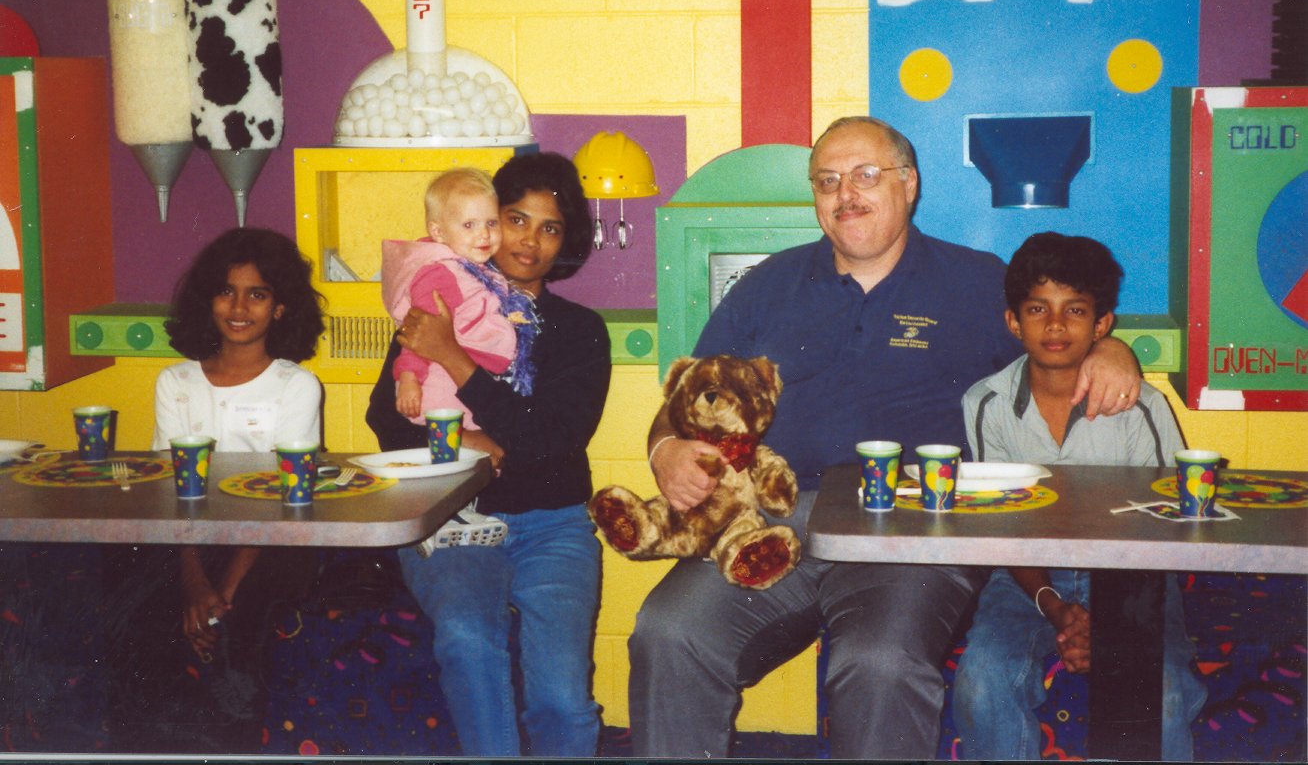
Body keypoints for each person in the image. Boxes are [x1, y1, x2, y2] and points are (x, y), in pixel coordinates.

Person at [627, 116, 1144, 759]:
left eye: (866, 175)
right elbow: (686, 402)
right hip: (773, 520)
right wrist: (666, 449)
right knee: (667, 630)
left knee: (881, 662)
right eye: (827, 181)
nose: (846, 194)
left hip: (915, 529)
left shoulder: (977, 281)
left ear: (909, 184)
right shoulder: (768, 285)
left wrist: (1113, 350)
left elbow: (1058, 331)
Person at [365, 151, 611, 757]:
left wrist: (454, 357)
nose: (529, 240)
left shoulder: (580, 329)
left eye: (550, 227)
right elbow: (387, 420)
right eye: (515, 219)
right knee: (468, 643)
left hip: (552, 524)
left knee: (561, 697)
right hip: (451, 519)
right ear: (487, 222)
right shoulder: (437, 297)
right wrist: (463, 439)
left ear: (566, 241)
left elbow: (551, 442)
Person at [952, 231, 1206, 761]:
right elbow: (1002, 527)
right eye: (1037, 309)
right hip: (1025, 576)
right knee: (982, 680)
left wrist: (1110, 621)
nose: (1055, 325)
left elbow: (1167, 526)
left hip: (1132, 574)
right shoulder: (986, 404)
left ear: (1101, 324)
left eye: (1074, 310)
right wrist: (1054, 606)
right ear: (1013, 322)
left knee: (1161, 693)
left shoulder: (1141, 406)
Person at [150, 226, 325, 744]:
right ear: (208, 300)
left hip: (270, 542)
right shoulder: (175, 383)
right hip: (189, 542)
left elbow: (283, 503)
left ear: (281, 307)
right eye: (227, 291)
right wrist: (194, 582)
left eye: (258, 294)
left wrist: (223, 592)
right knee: (140, 613)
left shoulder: (296, 386)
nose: (240, 307)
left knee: (243, 623)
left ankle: (235, 742)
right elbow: (170, 493)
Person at [382, 167, 537, 423]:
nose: (484, 234)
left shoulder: (469, 269)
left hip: (458, 380)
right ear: (439, 232)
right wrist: (409, 377)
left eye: (491, 223)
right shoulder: (440, 273)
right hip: (438, 387)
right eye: (469, 225)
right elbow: (421, 330)